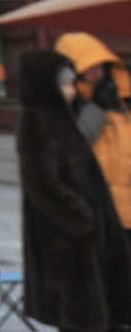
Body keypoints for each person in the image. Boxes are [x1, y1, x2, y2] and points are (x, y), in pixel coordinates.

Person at [16, 48, 131, 331]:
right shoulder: (37, 121)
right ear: (45, 85)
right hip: (68, 244)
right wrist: (81, 216)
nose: (70, 90)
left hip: (88, 239)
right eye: (64, 84)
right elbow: (41, 181)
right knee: (80, 316)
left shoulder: (60, 117)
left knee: (102, 312)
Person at [57, 32, 131, 247]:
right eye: (87, 67)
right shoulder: (68, 107)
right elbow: (71, 150)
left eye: (99, 65)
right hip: (97, 217)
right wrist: (98, 109)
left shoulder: (123, 100)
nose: (95, 72)